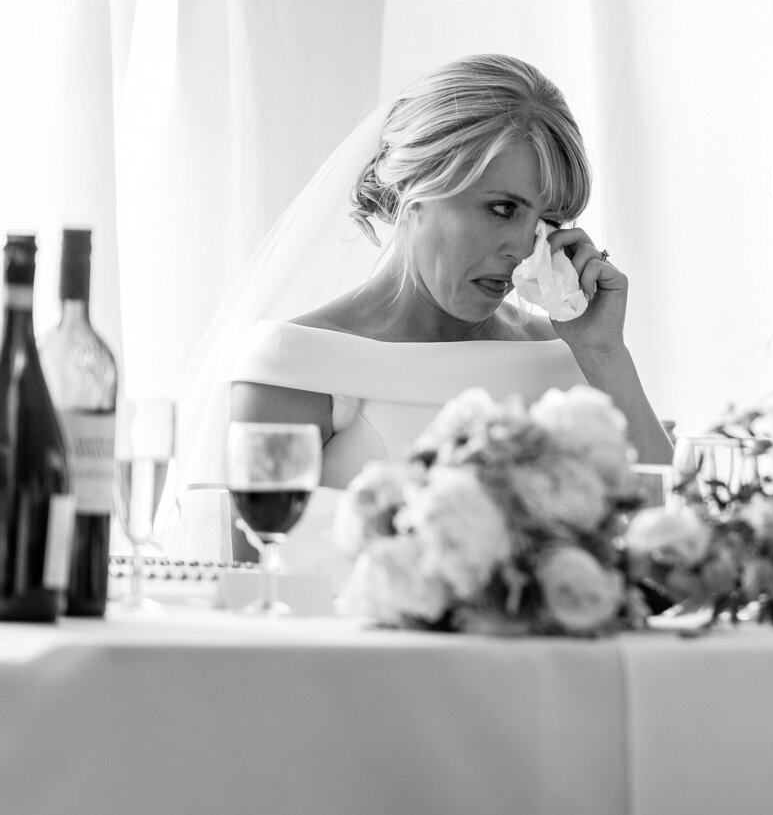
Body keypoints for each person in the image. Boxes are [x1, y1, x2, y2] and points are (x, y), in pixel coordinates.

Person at [163, 54, 672, 564]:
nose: (523, 248)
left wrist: (604, 351)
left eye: (549, 220)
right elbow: (257, 589)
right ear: (416, 189)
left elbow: (671, 550)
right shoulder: (297, 363)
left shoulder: (571, 359)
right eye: (502, 208)